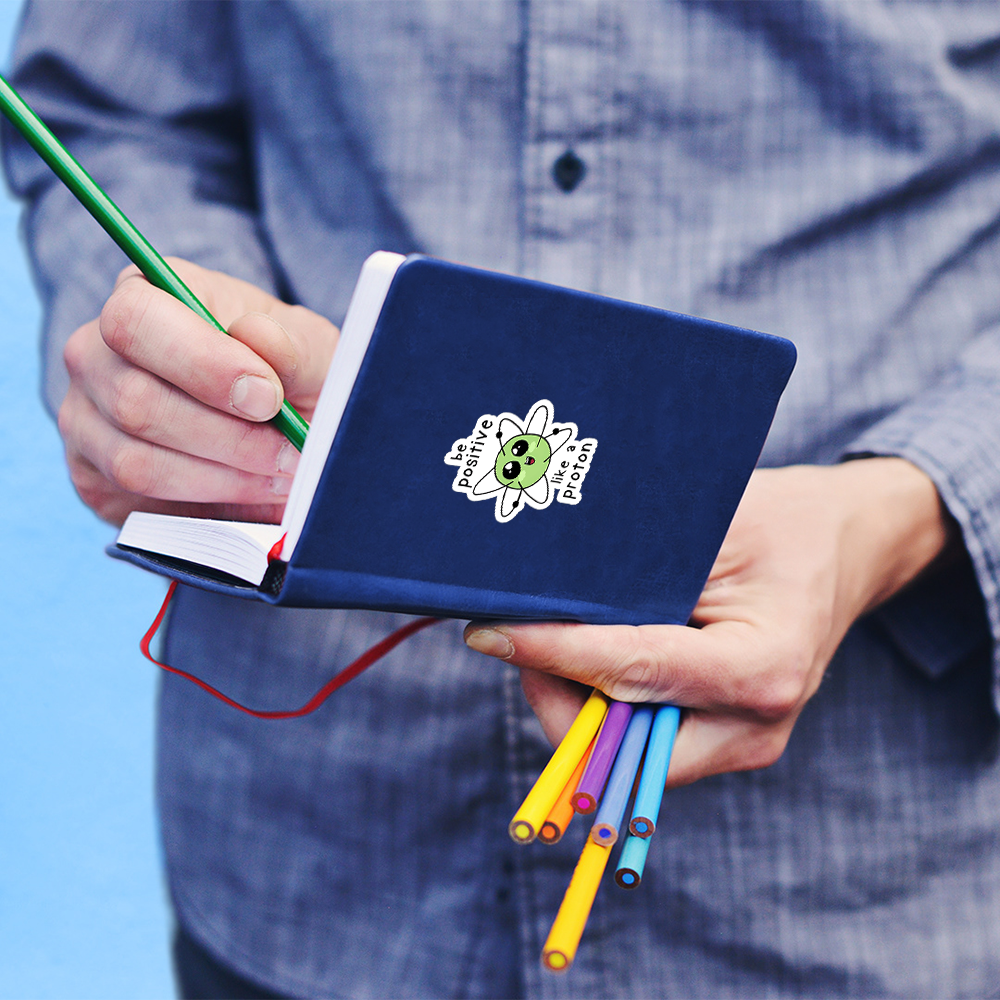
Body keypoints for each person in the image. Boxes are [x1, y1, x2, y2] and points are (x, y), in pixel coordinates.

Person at [5, 1, 1000, 997]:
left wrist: (897, 510)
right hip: (308, 860)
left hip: (870, 863)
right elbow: (117, 111)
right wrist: (170, 351)